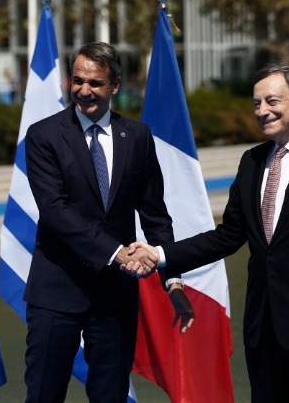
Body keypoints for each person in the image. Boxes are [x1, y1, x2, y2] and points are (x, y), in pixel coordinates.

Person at [125, 63, 289, 402]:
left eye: (272, 101)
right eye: (256, 103)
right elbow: (227, 236)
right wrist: (160, 254)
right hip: (262, 330)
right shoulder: (251, 161)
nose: (262, 111)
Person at [23, 42, 194, 403]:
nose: (84, 90)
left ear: (115, 85)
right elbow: (54, 211)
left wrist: (173, 280)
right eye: (78, 80)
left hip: (114, 297)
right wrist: (117, 253)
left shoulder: (137, 136)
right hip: (57, 292)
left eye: (95, 83)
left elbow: (155, 215)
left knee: (111, 396)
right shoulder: (44, 135)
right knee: (43, 395)